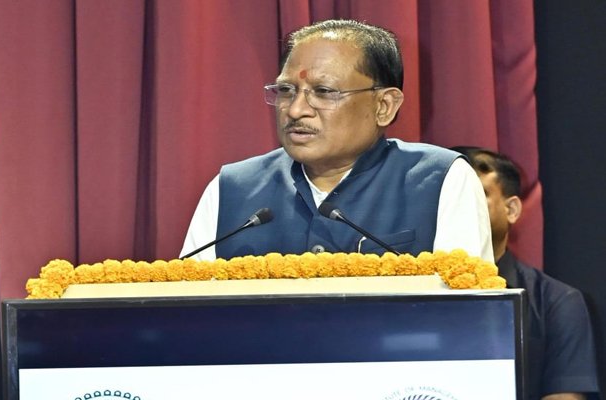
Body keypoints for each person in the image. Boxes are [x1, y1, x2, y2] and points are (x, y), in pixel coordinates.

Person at [181, 19, 492, 262]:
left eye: (324, 92)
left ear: (384, 106)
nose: (296, 110)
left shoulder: (440, 179)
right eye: (286, 91)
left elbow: (466, 310)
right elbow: (188, 310)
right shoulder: (231, 188)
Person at [452, 146, 600, 400]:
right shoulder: (408, 290)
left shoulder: (556, 302)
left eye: (476, 193)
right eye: (450, 195)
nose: (458, 205)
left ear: (511, 210)